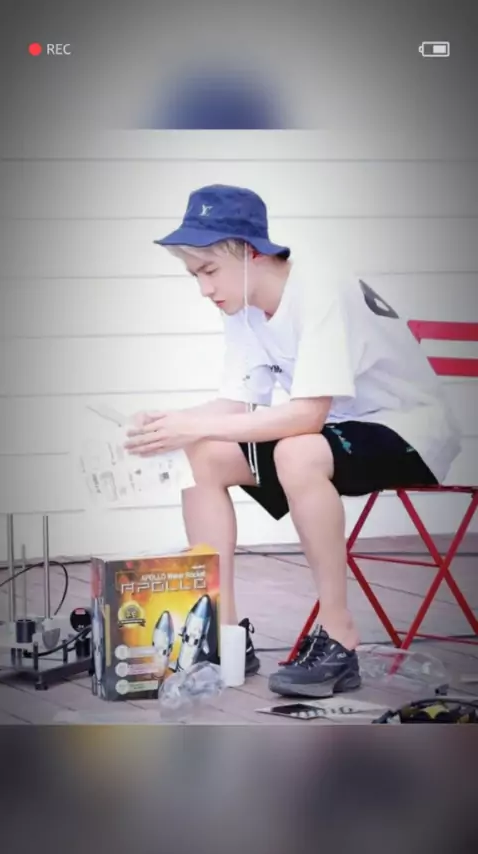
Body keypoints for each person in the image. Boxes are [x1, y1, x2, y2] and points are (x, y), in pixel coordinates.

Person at [124, 184, 461, 698]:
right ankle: (223, 635)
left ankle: (339, 635)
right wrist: (170, 423)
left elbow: (307, 415)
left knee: (297, 450)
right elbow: (236, 405)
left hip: (408, 429)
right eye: (195, 276)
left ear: (250, 252)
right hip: (336, 429)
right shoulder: (241, 307)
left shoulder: (318, 286)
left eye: (209, 271)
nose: (204, 290)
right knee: (205, 455)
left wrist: (193, 424)